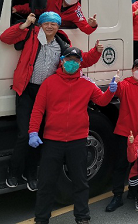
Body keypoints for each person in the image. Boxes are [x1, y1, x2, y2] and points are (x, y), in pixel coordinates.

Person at [0, 11, 102, 191]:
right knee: (24, 135)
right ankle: (13, 172)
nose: (49, 26)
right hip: (26, 91)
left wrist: (96, 52)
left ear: (58, 26)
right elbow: (5, 38)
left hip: (46, 93)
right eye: (46, 23)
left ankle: (31, 173)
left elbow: (80, 60)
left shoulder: (61, 44)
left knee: (39, 135)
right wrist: (24, 25)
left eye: (53, 24)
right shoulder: (31, 35)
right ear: (40, 24)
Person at [28, 46, 117, 224]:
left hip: (78, 140)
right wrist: (33, 132)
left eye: (76, 61)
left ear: (80, 64)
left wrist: (111, 91)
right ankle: (41, 219)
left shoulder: (87, 83)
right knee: (46, 182)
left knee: (80, 182)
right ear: (62, 61)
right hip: (53, 140)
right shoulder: (49, 83)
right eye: (69, 60)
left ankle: (82, 217)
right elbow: (38, 109)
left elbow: (101, 101)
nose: (72, 63)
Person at [106, 59, 138, 212]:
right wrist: (113, 84)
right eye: (137, 67)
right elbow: (114, 92)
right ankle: (117, 196)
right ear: (132, 69)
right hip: (124, 132)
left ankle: (135, 191)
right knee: (121, 164)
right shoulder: (124, 85)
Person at [12, 0, 98, 35]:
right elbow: (35, 7)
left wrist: (93, 25)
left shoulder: (77, 12)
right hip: (42, 32)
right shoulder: (52, 1)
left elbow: (86, 29)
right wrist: (17, 8)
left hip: (58, 36)